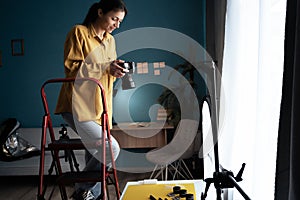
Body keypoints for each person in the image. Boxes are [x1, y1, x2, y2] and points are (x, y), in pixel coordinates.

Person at [55, 0, 128, 199]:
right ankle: (83, 190)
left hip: (100, 106)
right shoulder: (78, 32)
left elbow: (106, 73)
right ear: (100, 12)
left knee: (95, 151)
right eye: (114, 19)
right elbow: (72, 69)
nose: (117, 25)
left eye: (120, 22)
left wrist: (116, 71)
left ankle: (89, 194)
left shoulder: (110, 41)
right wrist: (106, 66)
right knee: (111, 147)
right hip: (76, 105)